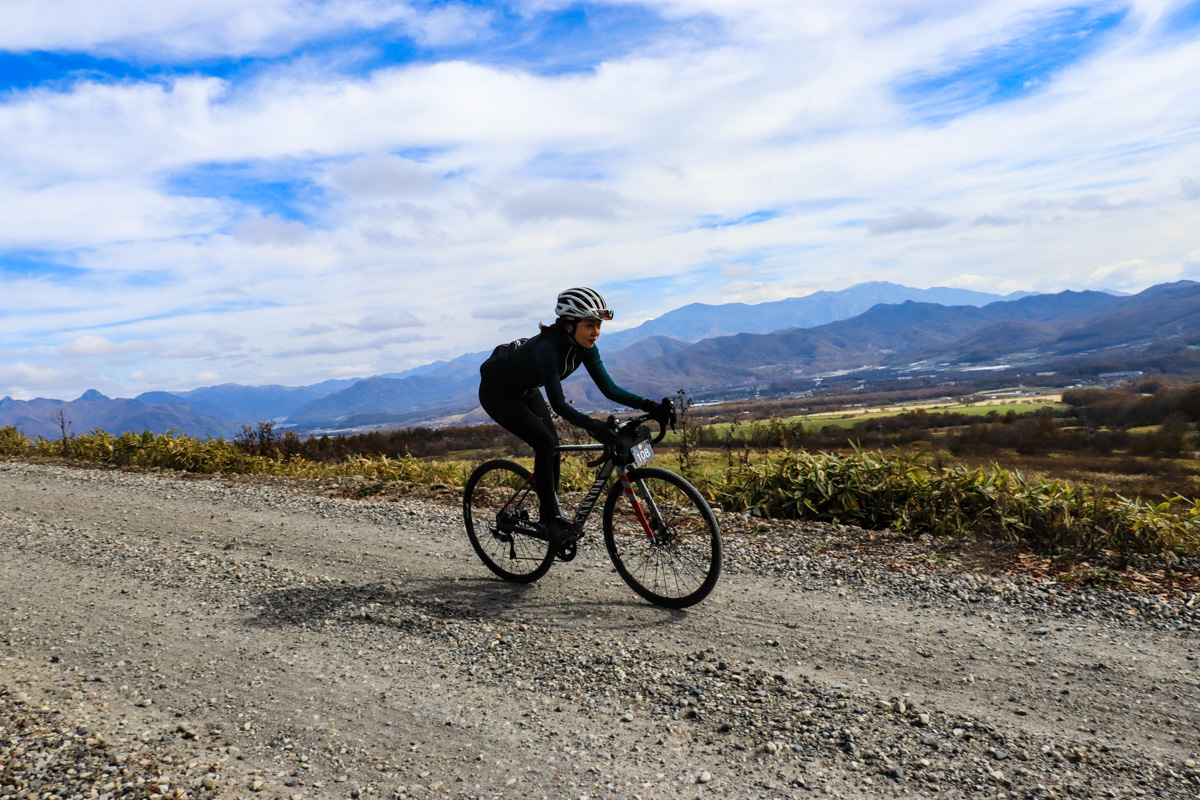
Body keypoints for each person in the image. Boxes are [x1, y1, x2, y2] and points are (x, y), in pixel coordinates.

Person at [478, 287, 675, 546]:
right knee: (545, 443)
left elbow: (609, 388)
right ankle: (550, 519)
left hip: (526, 391)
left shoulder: (586, 347)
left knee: (554, 448)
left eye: (599, 325)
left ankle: (550, 508)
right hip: (498, 394)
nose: (596, 332)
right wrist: (593, 426)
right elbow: (558, 404)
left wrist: (651, 406)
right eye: (590, 325)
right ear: (570, 324)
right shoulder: (547, 348)